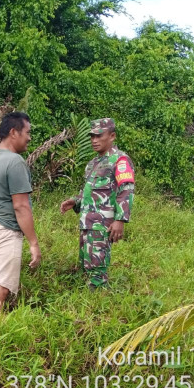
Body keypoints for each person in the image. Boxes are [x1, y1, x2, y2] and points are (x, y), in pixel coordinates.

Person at [0, 111, 42, 314]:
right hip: (5, 229)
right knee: (1, 286)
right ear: (14, 132)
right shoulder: (15, 162)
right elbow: (21, 206)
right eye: (27, 132)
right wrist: (34, 243)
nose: (29, 137)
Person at [60, 118, 135, 288]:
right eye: (92, 136)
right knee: (85, 267)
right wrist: (75, 201)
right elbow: (91, 192)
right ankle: (86, 304)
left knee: (97, 271)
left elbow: (126, 189)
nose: (94, 140)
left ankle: (100, 306)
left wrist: (120, 220)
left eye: (99, 136)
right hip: (87, 223)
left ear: (112, 136)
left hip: (102, 225)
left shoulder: (120, 160)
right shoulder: (93, 163)